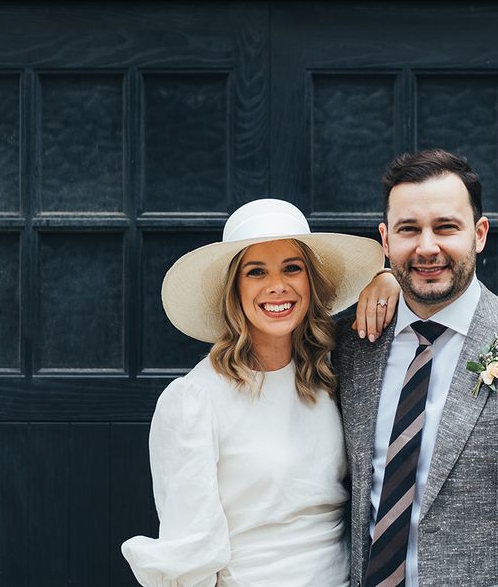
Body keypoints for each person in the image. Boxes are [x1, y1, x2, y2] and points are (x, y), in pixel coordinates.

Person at [333, 149, 498, 587]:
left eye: (445, 227)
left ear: (479, 234)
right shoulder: (353, 344)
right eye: (408, 230)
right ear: (385, 240)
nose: (426, 247)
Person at [122, 198, 399, 587]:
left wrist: (389, 280)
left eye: (292, 268)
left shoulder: (328, 371)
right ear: (234, 289)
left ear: (310, 282)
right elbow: (189, 555)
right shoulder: (195, 401)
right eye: (256, 272)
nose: (277, 286)